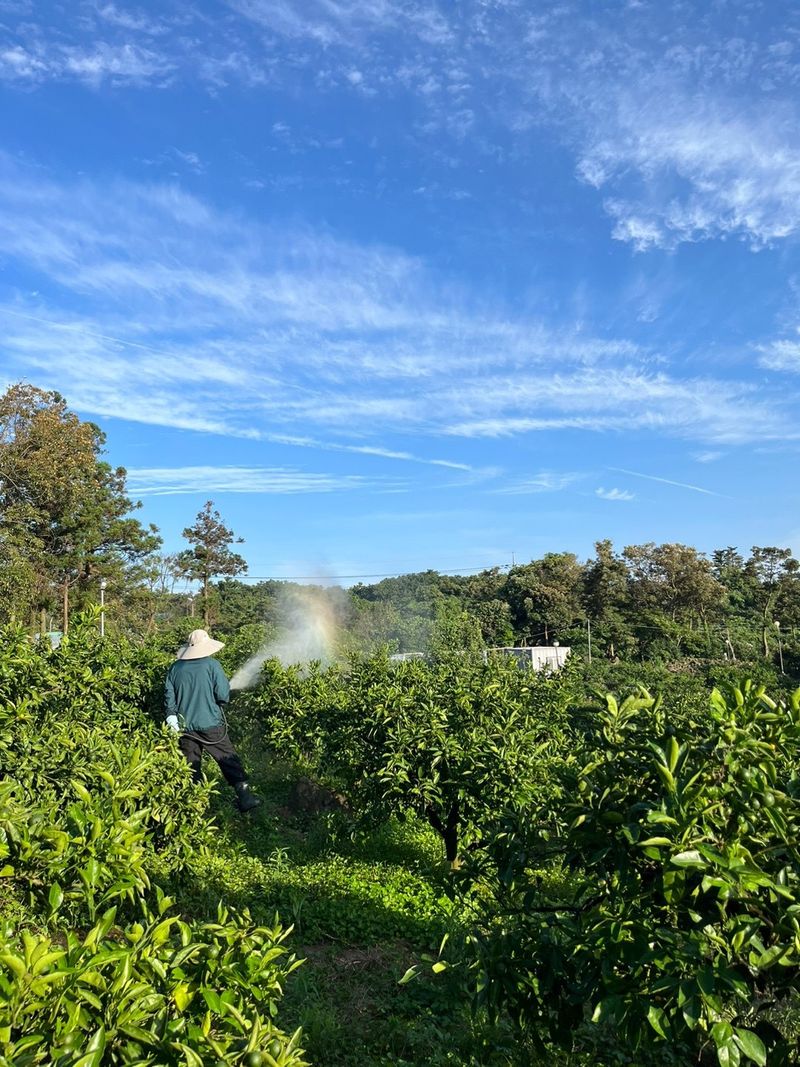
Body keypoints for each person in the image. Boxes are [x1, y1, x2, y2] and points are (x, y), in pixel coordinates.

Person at [164, 628, 261, 813]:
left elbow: (169, 697)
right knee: (227, 757)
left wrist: (171, 716)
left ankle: (194, 805)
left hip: (184, 727)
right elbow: (222, 694)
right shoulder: (212, 665)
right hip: (210, 723)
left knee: (190, 764)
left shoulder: (175, 668)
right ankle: (245, 798)